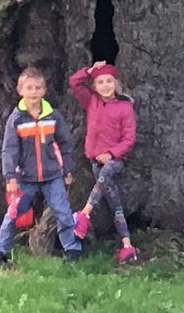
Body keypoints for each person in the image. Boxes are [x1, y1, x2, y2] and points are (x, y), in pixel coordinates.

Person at [0, 66, 81, 265]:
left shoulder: (53, 116)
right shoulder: (16, 119)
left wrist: (67, 169)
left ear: (44, 90)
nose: (33, 92)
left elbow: (65, 144)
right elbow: (9, 149)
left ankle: (72, 249)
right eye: (29, 88)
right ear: (20, 90)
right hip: (25, 177)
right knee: (14, 213)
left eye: (38, 88)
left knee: (63, 212)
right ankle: (0, 250)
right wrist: (10, 177)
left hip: (53, 175)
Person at [69, 60, 138, 263]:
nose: (105, 85)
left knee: (107, 172)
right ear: (94, 86)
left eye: (109, 81)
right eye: (100, 82)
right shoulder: (91, 102)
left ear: (116, 83)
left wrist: (111, 153)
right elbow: (74, 82)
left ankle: (84, 214)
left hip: (115, 160)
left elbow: (129, 139)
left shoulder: (125, 107)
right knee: (114, 203)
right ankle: (128, 246)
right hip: (95, 160)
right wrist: (89, 71)